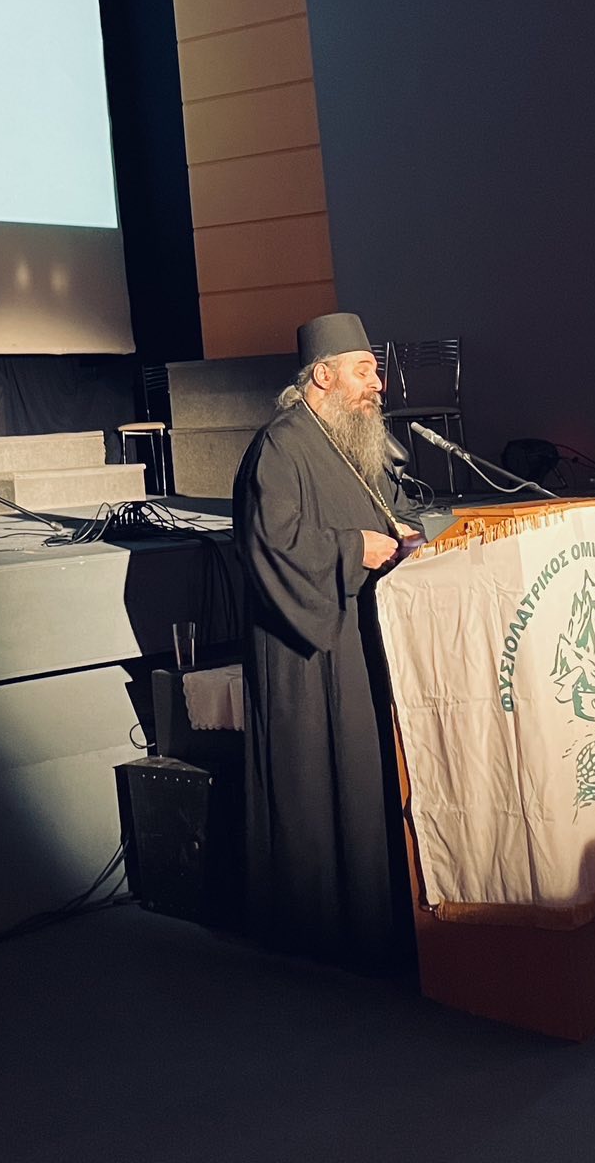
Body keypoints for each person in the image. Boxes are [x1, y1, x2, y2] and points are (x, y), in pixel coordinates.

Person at [232, 312, 421, 973]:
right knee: (316, 786)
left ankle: (375, 921)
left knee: (366, 781)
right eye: (365, 371)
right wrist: (351, 550)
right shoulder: (280, 446)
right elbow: (268, 544)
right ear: (323, 376)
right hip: (306, 651)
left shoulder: (352, 443)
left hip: (360, 636)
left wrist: (407, 536)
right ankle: (318, 930)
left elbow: (389, 511)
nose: (379, 385)